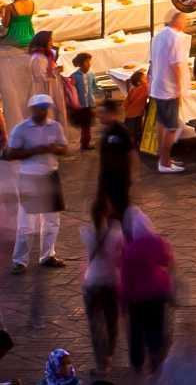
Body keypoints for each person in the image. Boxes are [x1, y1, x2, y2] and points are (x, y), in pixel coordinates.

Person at [10, 89, 68, 269]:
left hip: (50, 176)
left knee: (52, 220)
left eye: (45, 108)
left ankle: (48, 255)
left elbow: (64, 149)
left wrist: (54, 149)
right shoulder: (21, 129)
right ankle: (20, 261)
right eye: (39, 108)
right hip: (29, 177)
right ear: (31, 109)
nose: (43, 111)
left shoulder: (55, 126)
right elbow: (11, 153)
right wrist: (35, 150)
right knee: (26, 223)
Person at [118, 210, 174, 378]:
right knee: (156, 327)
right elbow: (167, 260)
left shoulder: (129, 250)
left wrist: (123, 302)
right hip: (158, 293)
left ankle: (137, 362)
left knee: (136, 329)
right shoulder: (158, 242)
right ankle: (155, 358)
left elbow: (125, 278)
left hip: (137, 297)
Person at [80, 198, 124, 378]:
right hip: (111, 281)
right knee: (111, 322)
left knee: (95, 325)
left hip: (92, 282)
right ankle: (109, 357)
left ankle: (101, 363)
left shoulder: (86, 232)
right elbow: (120, 258)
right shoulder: (116, 234)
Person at [146, 10, 190, 174]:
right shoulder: (175, 38)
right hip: (169, 88)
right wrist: (180, 88)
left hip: (158, 86)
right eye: (185, 19)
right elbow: (176, 64)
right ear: (177, 20)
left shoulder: (158, 36)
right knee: (171, 127)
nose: (186, 22)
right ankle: (164, 162)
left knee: (162, 123)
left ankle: (164, 158)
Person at [93, 88, 135, 217]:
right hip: (106, 176)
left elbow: (131, 154)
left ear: (111, 113)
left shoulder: (121, 130)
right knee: (100, 209)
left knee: (120, 210)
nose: (99, 116)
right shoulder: (105, 131)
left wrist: (131, 176)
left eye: (102, 113)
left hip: (120, 177)